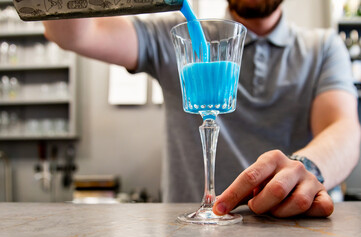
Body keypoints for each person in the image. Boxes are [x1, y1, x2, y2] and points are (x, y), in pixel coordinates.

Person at [43, 0, 360, 218]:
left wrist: (304, 169)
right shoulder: (170, 32)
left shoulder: (323, 47)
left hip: (293, 226)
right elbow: (71, 34)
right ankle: (209, 200)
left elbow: (344, 129)